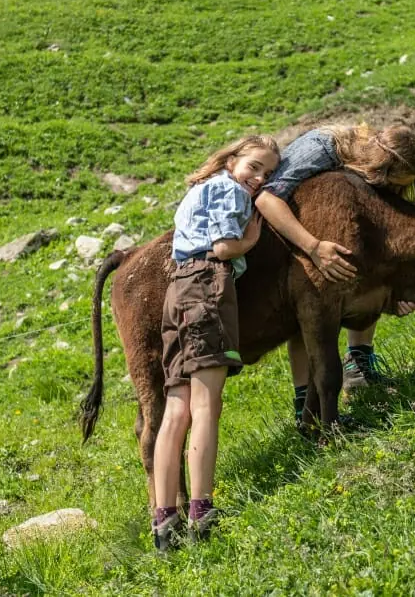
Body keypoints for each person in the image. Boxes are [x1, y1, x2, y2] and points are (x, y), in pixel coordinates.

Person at [152, 135, 280, 550]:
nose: (260, 178)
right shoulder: (228, 189)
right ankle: (201, 510)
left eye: (268, 173)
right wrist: (251, 242)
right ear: (233, 160)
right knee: (208, 405)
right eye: (254, 167)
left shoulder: (199, 189)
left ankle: (163, 518)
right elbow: (224, 248)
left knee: (177, 409)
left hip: (178, 292)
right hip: (208, 285)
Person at [254, 124, 415, 425]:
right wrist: (313, 247)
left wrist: (394, 292)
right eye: (393, 183)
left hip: (317, 231)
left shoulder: (370, 171)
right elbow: (266, 199)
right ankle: (303, 404)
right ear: (378, 167)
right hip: (281, 235)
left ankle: (359, 363)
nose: (394, 191)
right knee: (305, 317)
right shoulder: (322, 150)